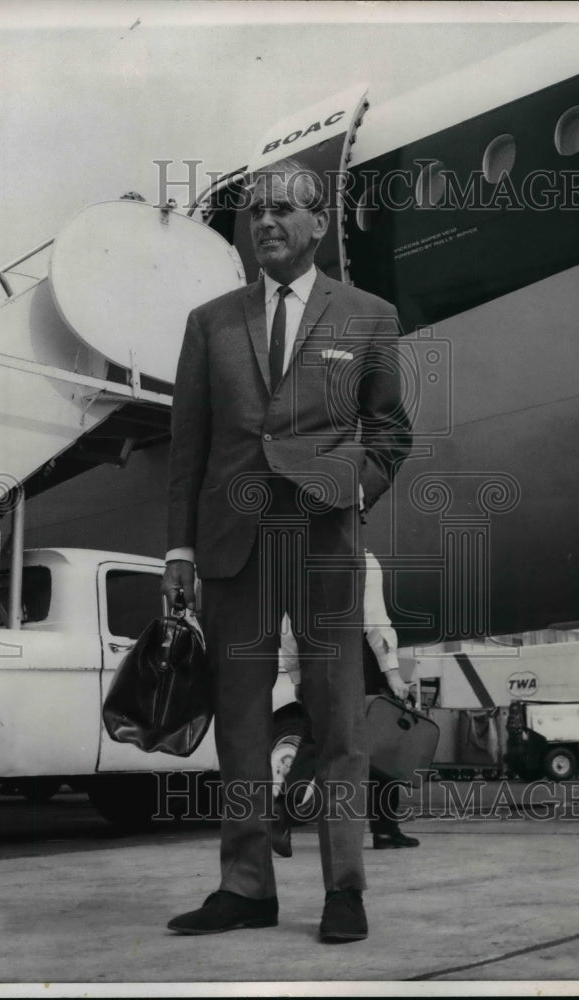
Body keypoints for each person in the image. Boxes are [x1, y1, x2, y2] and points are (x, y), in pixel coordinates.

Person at [161, 158, 412, 943]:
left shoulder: (368, 315)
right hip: (232, 546)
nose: (263, 224)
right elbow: (188, 447)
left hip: (322, 542)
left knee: (336, 721)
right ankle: (245, 887)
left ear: (315, 224)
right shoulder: (210, 322)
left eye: (280, 212)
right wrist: (177, 549)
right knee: (240, 724)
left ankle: (344, 890)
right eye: (254, 214)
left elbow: (390, 433)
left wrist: (350, 487)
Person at [277, 550, 420, 856]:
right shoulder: (364, 560)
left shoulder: (298, 562)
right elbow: (375, 621)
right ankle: (385, 829)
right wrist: (392, 674)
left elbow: (288, 629)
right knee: (383, 740)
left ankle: (280, 817)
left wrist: (298, 676)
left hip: (315, 660)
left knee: (315, 742)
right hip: (358, 661)